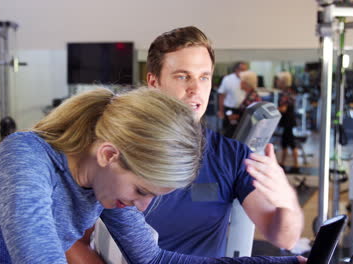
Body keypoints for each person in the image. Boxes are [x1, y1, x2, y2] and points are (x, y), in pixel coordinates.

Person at [0, 87, 304, 264]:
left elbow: (155, 259)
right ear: (109, 154)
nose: (141, 207)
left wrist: (281, 263)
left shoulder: (104, 182)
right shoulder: (24, 157)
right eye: (141, 190)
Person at [68, 26, 305, 262]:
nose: (195, 89)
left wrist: (287, 200)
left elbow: (284, 238)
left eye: (204, 77)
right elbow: (72, 240)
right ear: (154, 81)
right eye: (182, 76)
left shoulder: (230, 155)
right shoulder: (114, 151)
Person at [217, 61, 249, 137]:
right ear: (236, 69)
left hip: (243, 110)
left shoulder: (247, 79)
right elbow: (221, 95)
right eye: (241, 69)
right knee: (229, 131)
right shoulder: (228, 79)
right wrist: (221, 111)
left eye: (245, 70)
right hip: (229, 109)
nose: (243, 72)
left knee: (242, 132)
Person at [277, 72, 300, 173]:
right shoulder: (289, 92)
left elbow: (283, 109)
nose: (277, 82)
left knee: (290, 142)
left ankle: (295, 164)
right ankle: (283, 162)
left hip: (287, 121)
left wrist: (273, 109)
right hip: (289, 120)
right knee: (286, 141)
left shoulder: (285, 93)